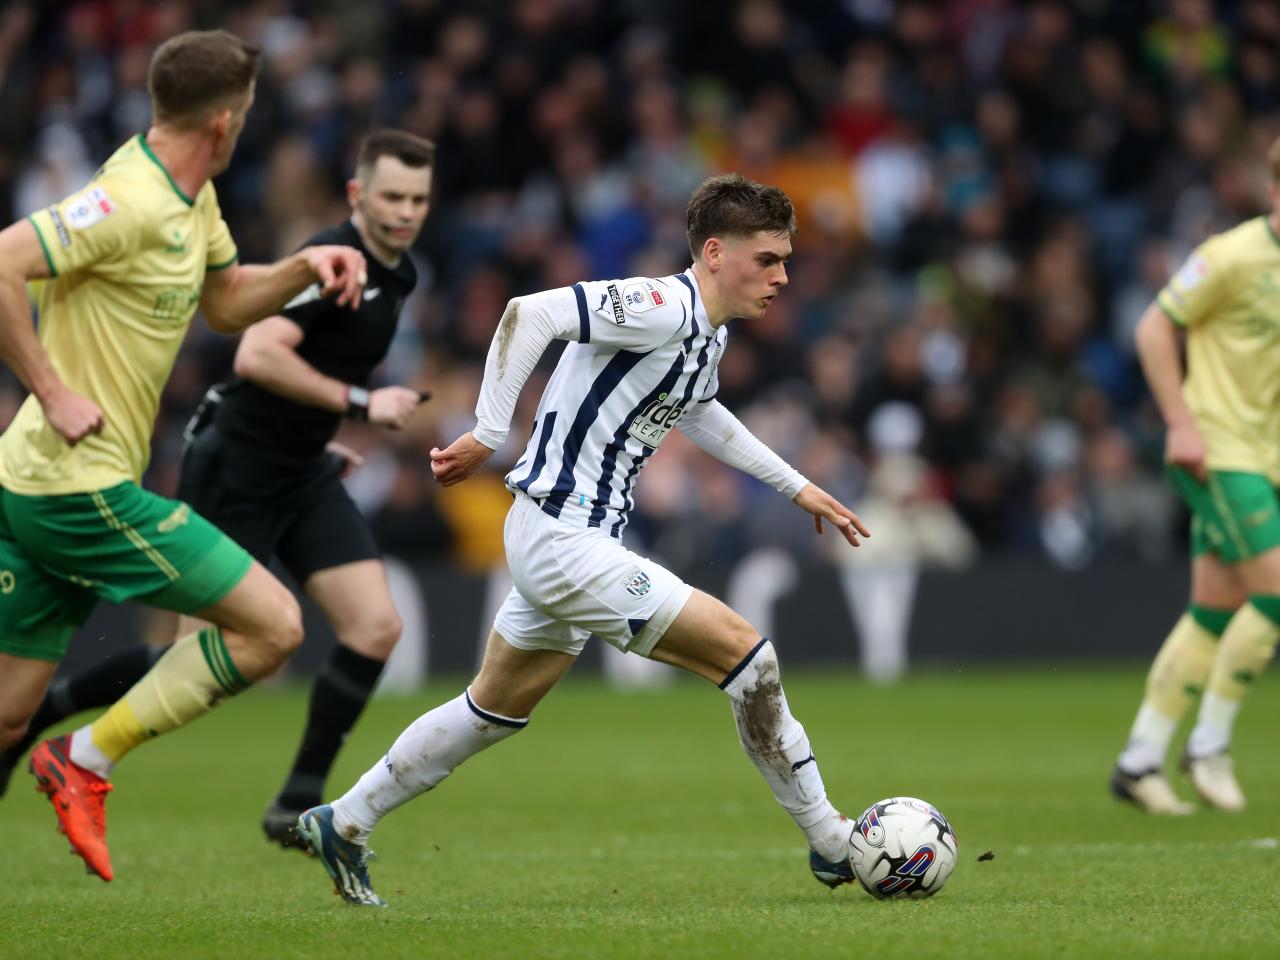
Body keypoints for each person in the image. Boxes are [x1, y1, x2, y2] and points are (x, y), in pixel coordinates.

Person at [296, 173, 872, 906]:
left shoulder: (706, 335)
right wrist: (488, 430)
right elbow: (527, 313)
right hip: (563, 537)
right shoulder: (662, 305)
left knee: (492, 711)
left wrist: (796, 486)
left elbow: (700, 412)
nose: (783, 277)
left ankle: (344, 821)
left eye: (786, 260)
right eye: (768, 260)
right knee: (747, 659)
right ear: (718, 252)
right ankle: (829, 838)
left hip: (568, 536)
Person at [0, 29, 368, 882]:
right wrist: (52, 392)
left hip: (38, 483)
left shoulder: (189, 196)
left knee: (8, 718)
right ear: (228, 120)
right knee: (273, 627)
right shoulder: (129, 200)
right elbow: (5, 260)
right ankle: (86, 760)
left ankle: (70, 755)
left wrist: (307, 268)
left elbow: (227, 301)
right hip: (74, 487)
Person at [1110, 136, 1280, 815]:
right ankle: (1208, 746)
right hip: (1214, 447)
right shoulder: (1231, 255)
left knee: (1213, 612)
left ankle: (1140, 758)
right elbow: (1155, 326)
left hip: (1263, 455)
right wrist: (1179, 422)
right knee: (1275, 595)